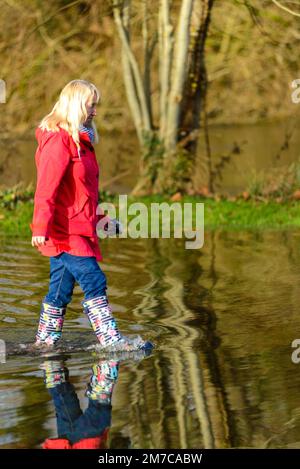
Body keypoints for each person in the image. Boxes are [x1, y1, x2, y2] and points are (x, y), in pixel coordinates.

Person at [30, 79, 152, 352]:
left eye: (96, 104)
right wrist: (40, 227)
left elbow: (83, 193)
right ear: (76, 104)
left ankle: (44, 344)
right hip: (63, 231)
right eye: (91, 104)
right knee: (94, 279)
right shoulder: (59, 141)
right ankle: (111, 342)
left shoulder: (80, 143)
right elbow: (45, 189)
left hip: (78, 227)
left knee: (60, 290)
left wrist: (102, 220)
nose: (95, 110)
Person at [40, 357, 118, 449]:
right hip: (65, 441)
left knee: (100, 400)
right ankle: (52, 365)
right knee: (61, 394)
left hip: (90, 438)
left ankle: (108, 362)